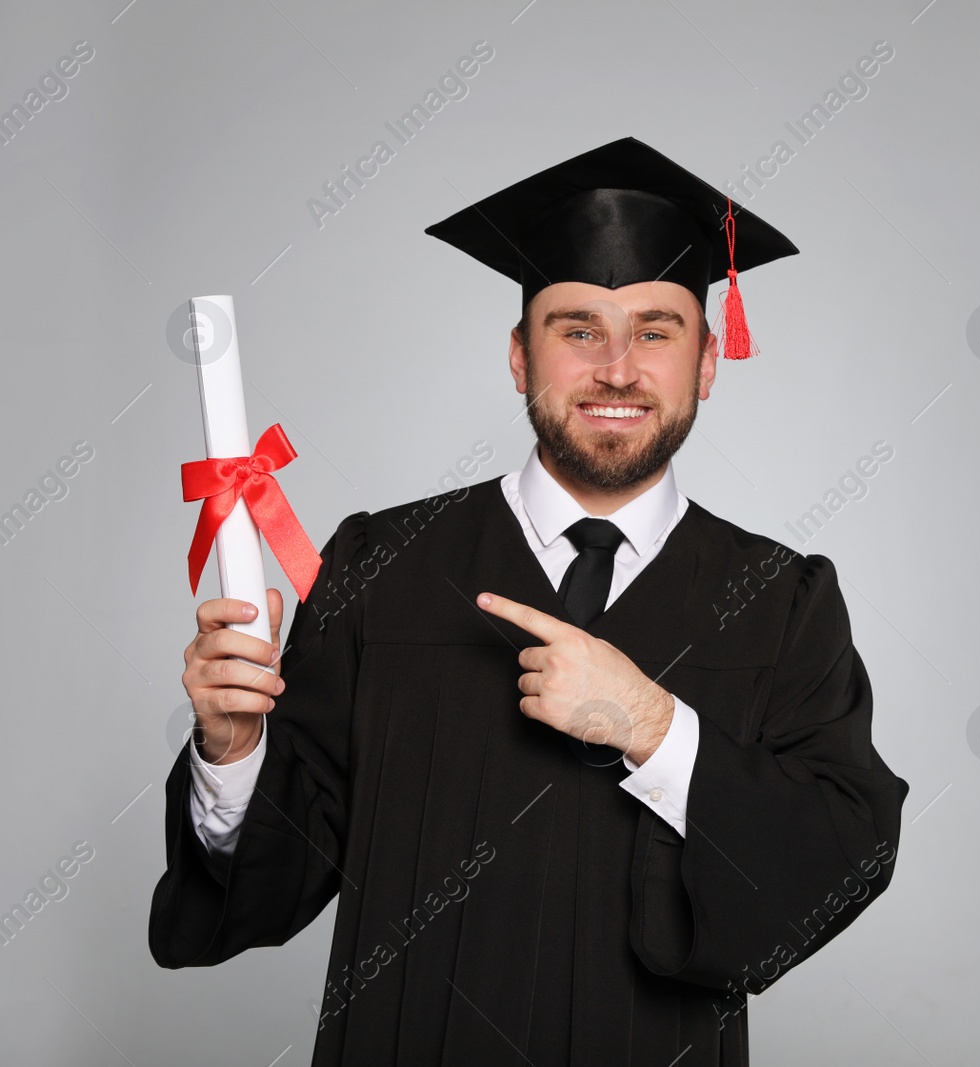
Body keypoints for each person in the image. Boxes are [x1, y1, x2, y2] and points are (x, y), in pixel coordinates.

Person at [149, 137, 909, 1066]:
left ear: (708, 362)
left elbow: (838, 861)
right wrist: (233, 752)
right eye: (578, 330)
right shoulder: (379, 564)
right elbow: (276, 875)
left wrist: (655, 726)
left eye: (657, 331)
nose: (619, 369)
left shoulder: (781, 601)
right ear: (520, 356)